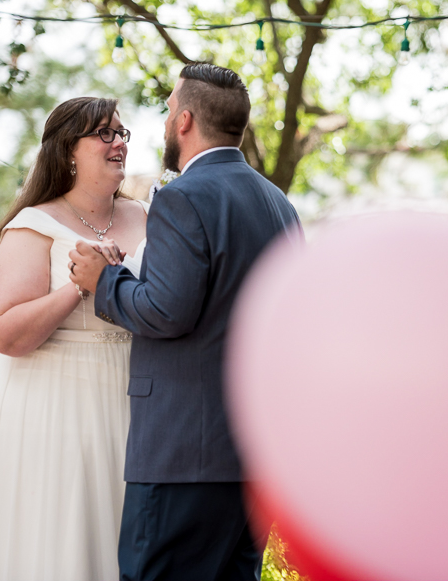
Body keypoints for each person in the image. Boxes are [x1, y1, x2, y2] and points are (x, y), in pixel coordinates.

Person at [69, 62, 301, 581]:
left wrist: (101, 281)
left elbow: (165, 310)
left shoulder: (181, 198)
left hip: (181, 455)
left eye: (169, 108)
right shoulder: (281, 206)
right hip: (251, 458)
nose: (166, 119)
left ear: (185, 120)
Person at [0, 97, 148, 581]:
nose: (118, 143)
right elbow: (6, 334)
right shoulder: (33, 225)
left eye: (122, 133)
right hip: (49, 409)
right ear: (69, 151)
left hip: (131, 403)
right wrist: (79, 285)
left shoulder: (146, 216)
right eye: (104, 134)